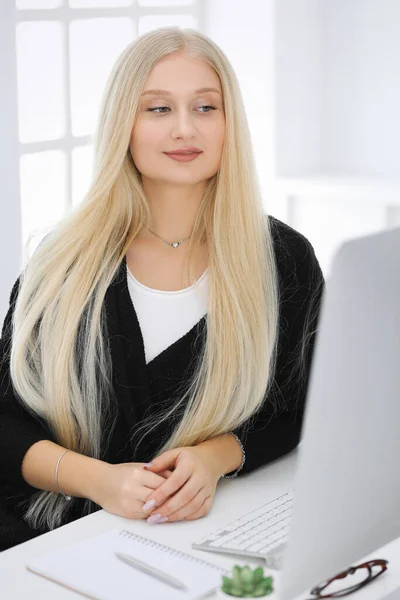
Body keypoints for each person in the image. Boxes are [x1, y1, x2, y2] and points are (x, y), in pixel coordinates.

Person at [0, 26, 324, 552]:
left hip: (200, 544)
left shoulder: (284, 259)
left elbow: (297, 406)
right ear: (122, 124)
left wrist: (217, 457)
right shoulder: (62, 261)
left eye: (204, 108)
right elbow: (5, 421)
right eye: (157, 109)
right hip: (46, 538)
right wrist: (97, 481)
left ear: (229, 123)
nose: (183, 130)